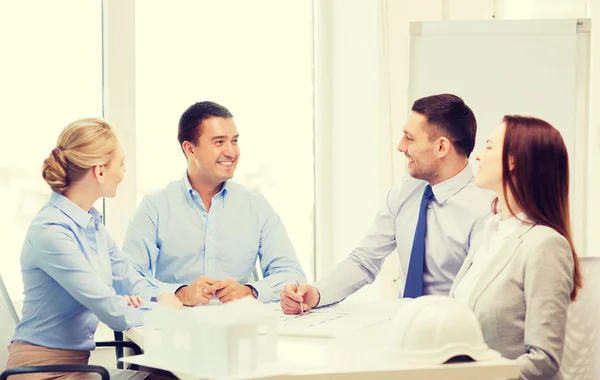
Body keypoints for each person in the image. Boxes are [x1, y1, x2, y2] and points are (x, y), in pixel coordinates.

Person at [280, 93, 495, 314]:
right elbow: (365, 260)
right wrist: (316, 293)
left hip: (455, 333)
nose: (401, 147)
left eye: (410, 139)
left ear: (441, 147)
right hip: (403, 327)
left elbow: (480, 296)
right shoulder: (408, 188)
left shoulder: (487, 211)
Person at [6, 118, 181, 380]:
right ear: (100, 171)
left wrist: (167, 296)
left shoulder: (92, 225)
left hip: (79, 367)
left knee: (162, 375)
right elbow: (113, 312)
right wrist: (161, 308)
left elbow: (131, 280)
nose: (123, 173)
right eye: (121, 164)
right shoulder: (51, 232)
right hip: (43, 371)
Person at [123, 101, 306, 305]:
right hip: (175, 331)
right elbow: (127, 280)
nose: (231, 152)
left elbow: (293, 276)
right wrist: (180, 293)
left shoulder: (256, 206)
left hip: (241, 330)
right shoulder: (154, 207)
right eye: (219, 142)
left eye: (234, 141)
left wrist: (250, 291)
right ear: (190, 149)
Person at [449, 115, 581, 380]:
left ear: (513, 161)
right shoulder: (489, 230)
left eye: (488, 146)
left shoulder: (546, 245)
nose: (477, 156)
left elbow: (543, 361)